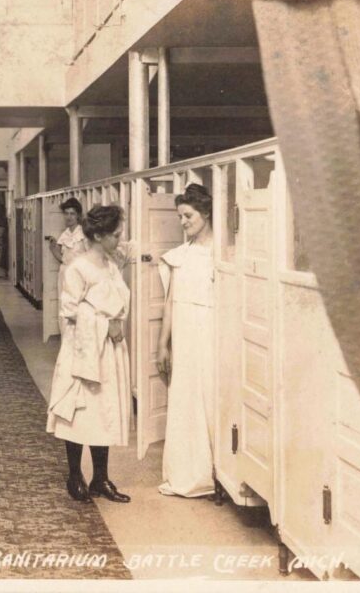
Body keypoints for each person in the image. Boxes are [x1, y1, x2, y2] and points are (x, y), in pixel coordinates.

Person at [46, 204, 132, 504]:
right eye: (115, 235)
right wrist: (105, 324)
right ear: (97, 234)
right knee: (80, 411)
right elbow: (70, 312)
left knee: (104, 411)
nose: (119, 240)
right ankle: (74, 475)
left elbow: (114, 301)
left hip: (107, 351)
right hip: (83, 351)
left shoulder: (110, 264)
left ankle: (100, 478)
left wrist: (114, 322)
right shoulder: (77, 268)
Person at [156, 183, 215, 498]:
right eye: (180, 216)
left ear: (205, 213)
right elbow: (170, 302)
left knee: (209, 399)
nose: (183, 222)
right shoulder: (182, 255)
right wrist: (162, 344)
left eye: (187, 215)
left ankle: (213, 472)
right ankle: (186, 473)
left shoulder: (223, 254)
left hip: (210, 334)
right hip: (185, 333)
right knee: (185, 399)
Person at [47, 198, 88, 299]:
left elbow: (90, 257)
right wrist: (53, 249)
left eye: (72, 214)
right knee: (63, 305)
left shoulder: (84, 234)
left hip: (79, 276)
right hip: (64, 275)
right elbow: (63, 259)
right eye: (66, 213)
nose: (68, 217)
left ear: (78, 215)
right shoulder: (65, 234)